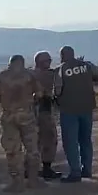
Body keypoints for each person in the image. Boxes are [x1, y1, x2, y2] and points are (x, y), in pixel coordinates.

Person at [0, 55, 47, 192]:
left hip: (9, 116)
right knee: (32, 149)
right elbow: (40, 94)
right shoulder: (29, 75)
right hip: (27, 115)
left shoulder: (0, 77)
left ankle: (17, 182)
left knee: (12, 150)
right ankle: (33, 180)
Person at [53, 45, 98, 183]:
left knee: (71, 142)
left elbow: (58, 91)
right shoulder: (87, 65)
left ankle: (75, 172)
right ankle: (87, 170)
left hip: (69, 110)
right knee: (85, 140)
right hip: (87, 107)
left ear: (62, 56)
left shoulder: (61, 69)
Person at [23, 51, 62, 180]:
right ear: (39, 61)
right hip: (42, 110)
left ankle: (29, 169)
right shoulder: (47, 74)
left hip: (32, 111)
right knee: (49, 139)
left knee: (34, 141)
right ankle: (45, 168)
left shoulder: (28, 74)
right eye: (47, 60)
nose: (49, 62)